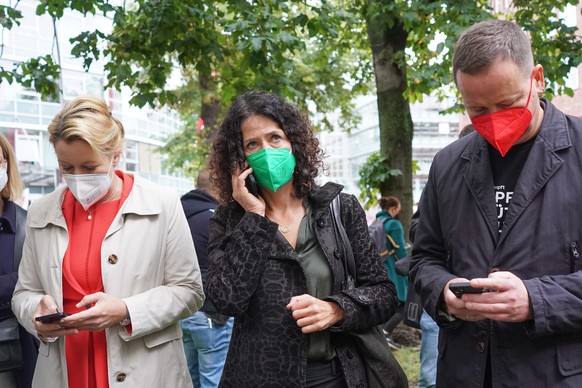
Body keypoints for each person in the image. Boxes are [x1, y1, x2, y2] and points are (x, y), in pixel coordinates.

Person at [410, 18, 582, 387]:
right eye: (477, 110)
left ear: (537, 78)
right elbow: (424, 258)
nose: (493, 122)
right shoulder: (448, 163)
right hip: (463, 373)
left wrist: (537, 299)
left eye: (507, 104)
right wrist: (444, 292)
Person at [206, 90, 398, 387]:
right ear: (239, 160)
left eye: (275, 138)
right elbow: (225, 299)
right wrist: (255, 217)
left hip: (337, 375)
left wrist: (336, 309)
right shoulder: (230, 221)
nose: (267, 151)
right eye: (252, 144)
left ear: (293, 143)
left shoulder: (340, 209)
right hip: (260, 377)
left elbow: (384, 294)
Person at [11, 96, 205, 388]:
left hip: (145, 369)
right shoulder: (41, 212)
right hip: (66, 368)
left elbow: (189, 291)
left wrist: (126, 310)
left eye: (89, 168)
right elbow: (23, 292)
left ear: (115, 155)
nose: (77, 178)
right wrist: (35, 311)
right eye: (67, 167)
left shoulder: (161, 203)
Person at [180, 168, 233, 387]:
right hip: (211, 312)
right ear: (220, 187)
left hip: (183, 310)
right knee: (214, 379)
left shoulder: (180, 215)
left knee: (190, 377)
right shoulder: (215, 219)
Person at [0, 133, 37, 388]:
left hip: (23, 356)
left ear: (6, 164)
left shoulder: (29, 224)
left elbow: (44, 280)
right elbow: (29, 279)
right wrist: (17, 280)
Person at [376, 196, 408, 348]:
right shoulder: (394, 224)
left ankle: (382, 335)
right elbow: (400, 250)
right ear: (393, 209)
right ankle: (385, 333)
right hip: (394, 269)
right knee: (403, 303)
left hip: (379, 268)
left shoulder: (375, 223)